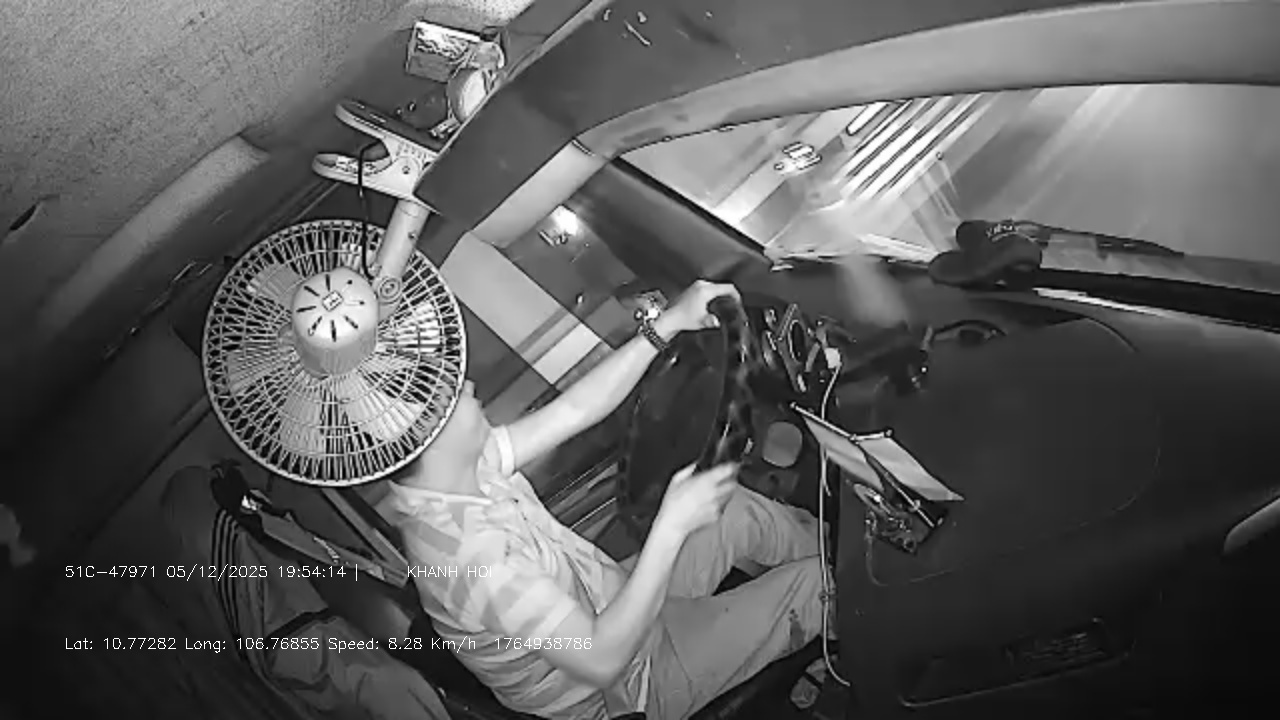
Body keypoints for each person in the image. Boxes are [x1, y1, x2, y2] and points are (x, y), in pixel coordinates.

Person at [378, 279, 830, 720]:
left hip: (616, 601)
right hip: (628, 686)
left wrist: (669, 323)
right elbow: (600, 659)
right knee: (820, 588)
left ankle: (845, 549)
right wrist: (671, 525)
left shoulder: (456, 476)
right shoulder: (470, 562)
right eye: (450, 394)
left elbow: (575, 409)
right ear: (427, 442)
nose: (468, 384)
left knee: (733, 509)